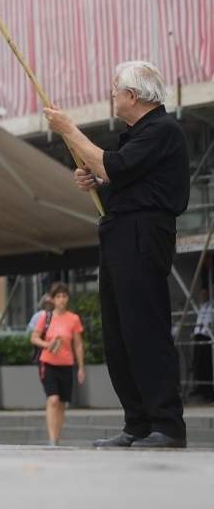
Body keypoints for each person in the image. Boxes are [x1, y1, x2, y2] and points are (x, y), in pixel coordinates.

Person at [46, 59, 191, 450]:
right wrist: (94, 179)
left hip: (144, 233)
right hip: (119, 232)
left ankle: (166, 423)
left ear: (132, 94)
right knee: (119, 334)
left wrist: (70, 131)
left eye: (116, 89)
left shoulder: (162, 130)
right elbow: (117, 178)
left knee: (144, 329)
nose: (112, 94)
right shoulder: (134, 134)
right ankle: (138, 423)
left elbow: (117, 166)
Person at [30, 282, 86, 446]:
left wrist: (81, 367)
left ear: (68, 299)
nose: (62, 300)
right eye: (58, 296)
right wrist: (48, 345)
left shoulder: (73, 319)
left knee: (62, 403)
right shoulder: (45, 317)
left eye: (64, 296)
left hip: (67, 365)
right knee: (53, 400)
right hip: (47, 363)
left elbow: (78, 344)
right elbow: (34, 337)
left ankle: (57, 437)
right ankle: (52, 441)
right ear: (53, 299)